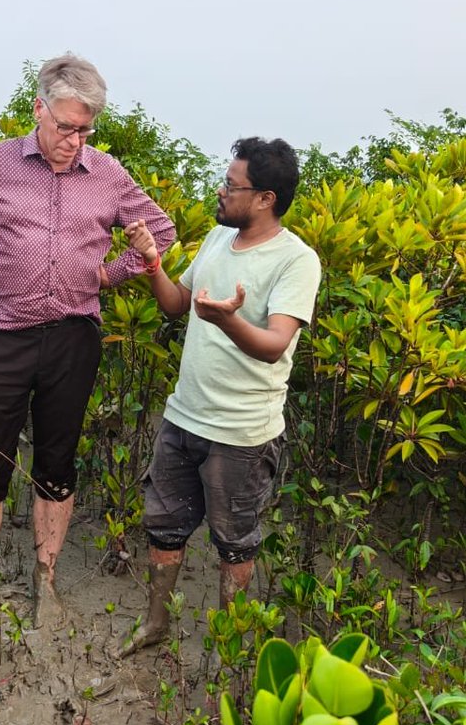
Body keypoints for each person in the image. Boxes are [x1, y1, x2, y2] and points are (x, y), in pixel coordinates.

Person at [0, 53, 176, 624]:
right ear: (39, 110)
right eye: (65, 126)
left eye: (85, 131)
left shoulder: (109, 175)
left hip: (74, 334)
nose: (75, 140)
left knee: (57, 459)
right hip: (4, 334)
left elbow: (163, 231)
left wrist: (111, 272)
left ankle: (45, 578)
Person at [116, 137, 322, 657]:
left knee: (235, 540)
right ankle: (156, 624)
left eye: (232, 186)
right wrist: (151, 264)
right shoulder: (215, 239)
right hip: (184, 417)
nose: (222, 191)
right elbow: (176, 305)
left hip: (241, 434)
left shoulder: (296, 261)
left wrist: (227, 320)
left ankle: (229, 645)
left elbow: (275, 346)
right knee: (164, 526)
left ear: (265, 199)